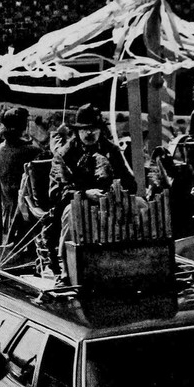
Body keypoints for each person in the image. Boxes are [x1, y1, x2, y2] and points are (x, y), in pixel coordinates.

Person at [46, 104, 138, 280]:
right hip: (77, 203)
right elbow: (56, 192)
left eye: (94, 129)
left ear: (100, 130)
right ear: (77, 131)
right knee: (71, 213)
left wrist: (118, 189)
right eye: (84, 129)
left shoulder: (111, 150)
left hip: (110, 203)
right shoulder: (64, 154)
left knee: (140, 205)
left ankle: (134, 261)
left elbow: (130, 183)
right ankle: (67, 269)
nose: (89, 133)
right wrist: (85, 193)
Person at [0, 107, 42, 243]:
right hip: (28, 215)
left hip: (6, 213)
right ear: (23, 127)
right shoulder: (33, 151)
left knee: (6, 249)